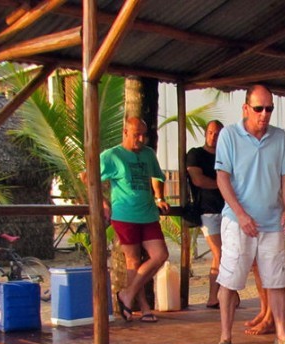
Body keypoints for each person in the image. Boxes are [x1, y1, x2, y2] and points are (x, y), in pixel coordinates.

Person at [211, 84, 285, 344]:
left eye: (269, 109)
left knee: (277, 279)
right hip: (238, 221)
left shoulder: (280, 137)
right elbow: (222, 177)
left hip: (272, 221)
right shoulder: (228, 135)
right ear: (246, 108)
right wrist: (240, 214)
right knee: (229, 279)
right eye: (259, 108)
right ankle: (225, 339)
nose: (264, 114)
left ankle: (282, 335)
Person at [96, 117, 169, 323]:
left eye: (143, 135)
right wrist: (102, 202)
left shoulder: (148, 154)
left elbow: (158, 176)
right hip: (125, 214)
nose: (140, 139)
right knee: (133, 261)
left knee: (160, 255)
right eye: (136, 134)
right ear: (125, 132)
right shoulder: (112, 155)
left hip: (148, 213)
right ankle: (143, 307)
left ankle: (126, 295)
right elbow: (88, 177)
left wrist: (159, 197)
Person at [186, 120, 227, 308]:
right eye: (210, 132)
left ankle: (223, 295)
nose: (213, 137)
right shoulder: (196, 154)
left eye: (217, 133)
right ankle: (214, 297)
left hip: (227, 210)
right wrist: (223, 185)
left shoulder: (226, 156)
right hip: (207, 212)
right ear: (205, 133)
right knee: (219, 253)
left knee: (227, 254)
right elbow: (198, 180)